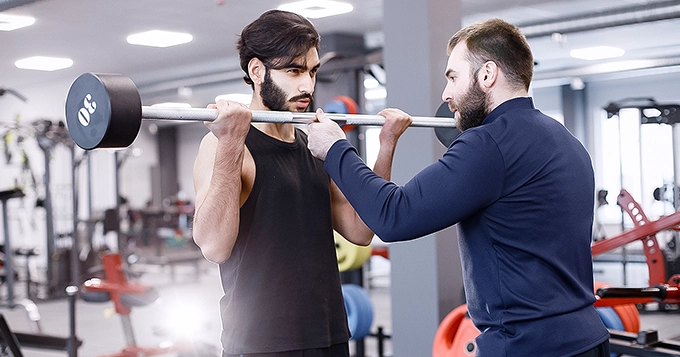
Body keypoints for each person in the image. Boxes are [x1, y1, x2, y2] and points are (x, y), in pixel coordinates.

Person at [307, 18, 610, 357]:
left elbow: (393, 216)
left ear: (487, 75)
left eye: (452, 77)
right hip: (588, 339)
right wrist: (389, 143)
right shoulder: (565, 140)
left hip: (527, 347)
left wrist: (335, 149)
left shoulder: (487, 145)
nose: (445, 94)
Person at [191, 10, 411, 357]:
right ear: (256, 70)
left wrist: (386, 146)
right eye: (293, 70)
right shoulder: (227, 145)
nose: (307, 85)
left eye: (312, 71)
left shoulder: (316, 145)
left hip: (330, 335)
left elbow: (361, 230)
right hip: (262, 344)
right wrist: (231, 141)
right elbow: (214, 246)